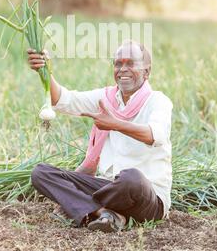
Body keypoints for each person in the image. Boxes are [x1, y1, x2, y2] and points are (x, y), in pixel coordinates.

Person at [28, 40, 173, 233]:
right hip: (110, 187)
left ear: (147, 71)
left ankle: (78, 206)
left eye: (131, 64)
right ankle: (107, 213)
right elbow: (63, 100)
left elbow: (155, 136)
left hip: (147, 198)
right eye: (118, 63)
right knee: (41, 173)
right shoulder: (106, 98)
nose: (123, 69)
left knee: (131, 178)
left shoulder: (158, 101)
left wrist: (114, 124)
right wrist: (45, 71)